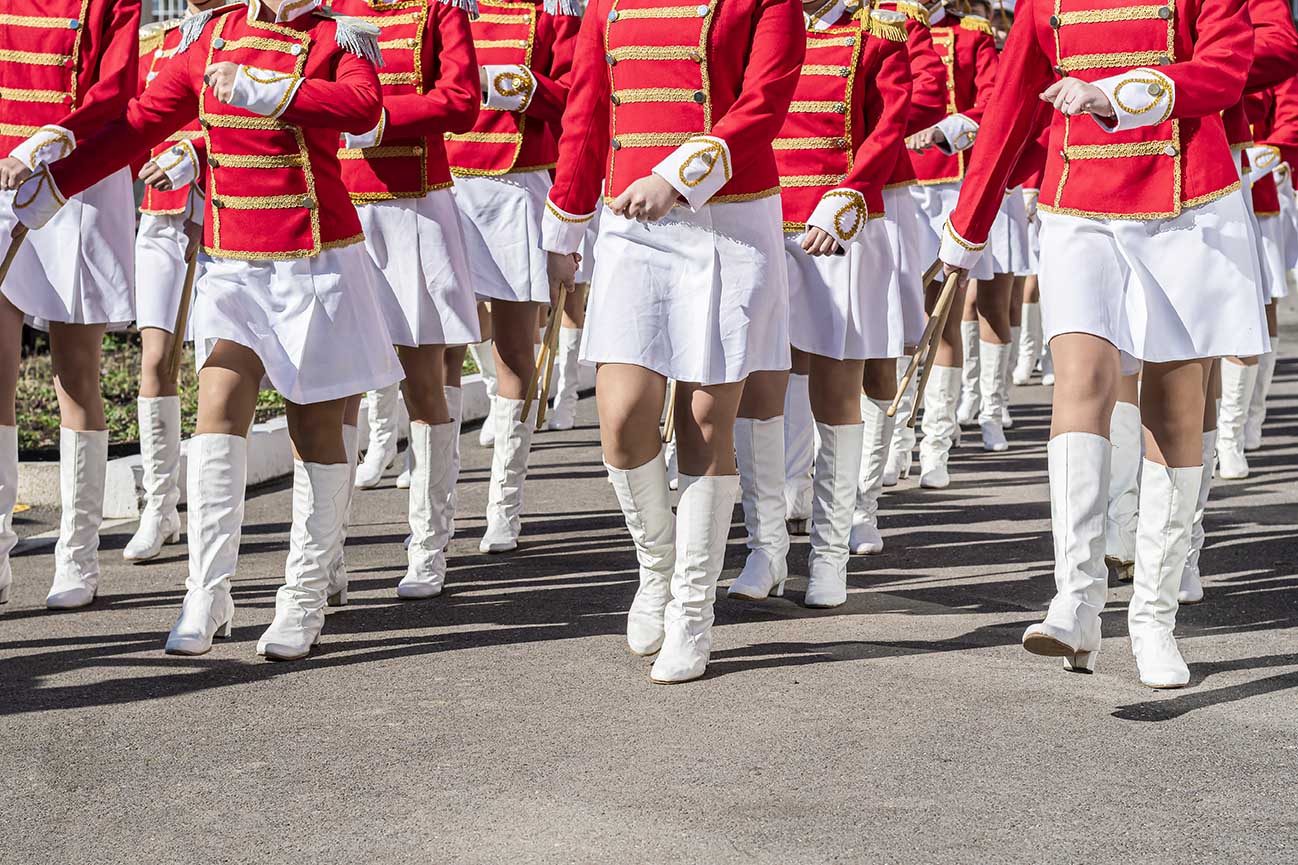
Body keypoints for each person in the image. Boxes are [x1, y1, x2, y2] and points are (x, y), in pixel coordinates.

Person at [8, 0, 403, 660]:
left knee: (313, 427)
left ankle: (303, 596)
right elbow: (137, 122)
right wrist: (57, 183)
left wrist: (270, 91)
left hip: (315, 263)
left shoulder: (340, 37)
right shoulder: (214, 34)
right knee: (216, 408)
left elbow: (364, 109)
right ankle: (207, 592)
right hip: (234, 263)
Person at [939, 0, 1266, 689]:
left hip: (1185, 205)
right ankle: (1077, 597)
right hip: (1076, 200)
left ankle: (1151, 615)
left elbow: (1227, 69)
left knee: (1174, 408)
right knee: (1080, 381)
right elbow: (1008, 110)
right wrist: (965, 232)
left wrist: (1114, 93)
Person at [542, 0, 803, 683]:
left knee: (705, 420)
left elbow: (768, 97)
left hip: (730, 221)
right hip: (633, 220)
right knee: (623, 416)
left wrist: (679, 176)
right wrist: (565, 226)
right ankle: (656, 566)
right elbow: (588, 110)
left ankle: (692, 609)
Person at [729, 1, 911, 608]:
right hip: (759, 218)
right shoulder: (752, 28)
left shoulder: (877, 38)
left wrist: (850, 196)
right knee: (760, 387)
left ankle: (829, 554)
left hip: (843, 229)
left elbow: (888, 129)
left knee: (836, 392)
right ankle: (767, 547)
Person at [333, 0, 481, 600]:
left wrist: (380, 119)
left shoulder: (439, 10)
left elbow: (461, 101)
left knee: (423, 384)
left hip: (414, 206)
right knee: (333, 388)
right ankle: (326, 557)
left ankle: (427, 545)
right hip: (339, 206)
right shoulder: (331, 13)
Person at [0, 0, 140, 608]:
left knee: (74, 375)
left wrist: (48, 143)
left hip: (74, 178)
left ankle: (77, 555)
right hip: (0, 173)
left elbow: (116, 91)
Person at [444, 0, 580, 554]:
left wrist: (519, 88)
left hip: (515, 186)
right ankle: (436, 516)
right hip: (445, 184)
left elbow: (579, 101)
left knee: (514, 353)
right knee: (441, 351)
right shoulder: (444, 10)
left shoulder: (553, 12)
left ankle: (504, 505)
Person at [123, 6, 219, 564]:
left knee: (216, 371)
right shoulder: (155, 42)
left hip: (219, 218)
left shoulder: (238, 33)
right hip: (160, 218)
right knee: (155, 361)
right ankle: (161, 508)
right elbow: (134, 130)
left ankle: (209, 509)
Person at [904, 2, 998, 487]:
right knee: (892, 317)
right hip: (894, 184)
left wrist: (948, 128)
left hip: (950, 184)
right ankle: (896, 439)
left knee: (941, 316)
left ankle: (935, 444)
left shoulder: (973, 33)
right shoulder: (878, 21)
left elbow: (996, 100)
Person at [876, 0, 949, 489]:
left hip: (897, 179)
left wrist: (869, 124)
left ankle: (913, 442)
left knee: (898, 321)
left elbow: (928, 93)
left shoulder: (899, 17)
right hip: (798, 183)